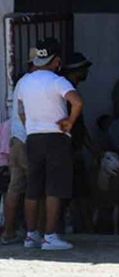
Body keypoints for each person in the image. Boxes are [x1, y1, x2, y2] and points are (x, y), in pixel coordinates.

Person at [17, 38, 84, 250]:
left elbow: (20, 110)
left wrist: (31, 126)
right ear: (56, 61)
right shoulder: (58, 81)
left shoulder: (25, 82)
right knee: (55, 187)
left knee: (33, 188)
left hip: (33, 138)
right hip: (56, 138)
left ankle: (30, 236)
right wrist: (70, 122)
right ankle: (50, 237)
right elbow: (77, 102)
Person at [1, 48, 38, 244]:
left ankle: (8, 233)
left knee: (14, 188)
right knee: (36, 189)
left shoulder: (22, 83)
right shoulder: (32, 83)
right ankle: (34, 234)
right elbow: (27, 114)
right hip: (28, 141)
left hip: (17, 141)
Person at [62, 52, 98, 233]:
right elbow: (76, 127)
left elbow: (81, 128)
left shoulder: (68, 89)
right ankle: (85, 228)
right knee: (78, 193)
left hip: (70, 149)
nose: (87, 73)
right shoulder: (67, 93)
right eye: (84, 69)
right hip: (68, 151)